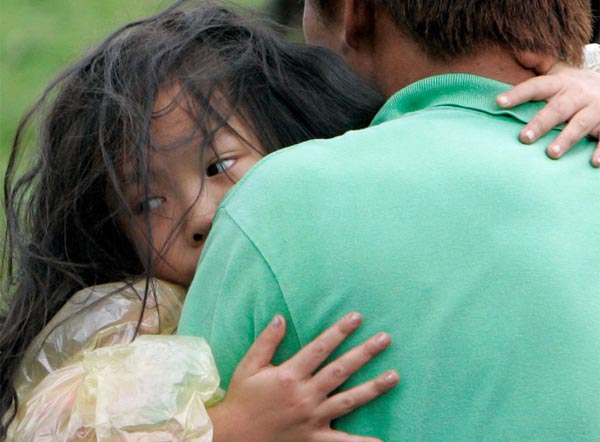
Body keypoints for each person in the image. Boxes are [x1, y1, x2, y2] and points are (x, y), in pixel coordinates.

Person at [1, 0, 599, 440]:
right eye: (147, 204)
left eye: (219, 166)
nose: (201, 214)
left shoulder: (317, 194)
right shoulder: (130, 319)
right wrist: (227, 430)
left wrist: (586, 82)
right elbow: (51, 425)